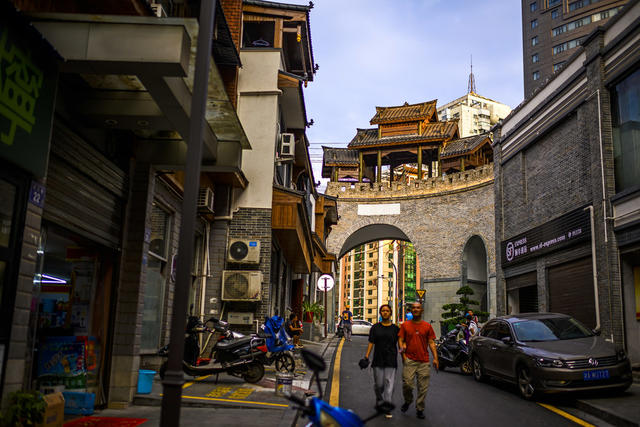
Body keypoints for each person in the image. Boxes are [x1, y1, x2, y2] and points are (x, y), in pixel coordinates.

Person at [398, 302, 439, 420]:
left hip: (424, 361)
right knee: (407, 384)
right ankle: (408, 400)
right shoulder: (405, 325)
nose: (416, 310)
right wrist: (403, 356)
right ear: (411, 310)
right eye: (414, 308)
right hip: (409, 360)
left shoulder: (427, 326)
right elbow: (400, 340)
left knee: (423, 388)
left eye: (418, 308)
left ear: (422, 311)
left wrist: (435, 358)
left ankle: (420, 409)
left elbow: (431, 342)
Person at [361, 304, 399, 419]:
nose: (385, 312)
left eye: (387, 311)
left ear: (390, 313)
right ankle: (379, 398)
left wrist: (404, 353)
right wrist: (366, 356)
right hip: (378, 359)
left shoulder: (395, 329)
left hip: (391, 359)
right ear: (380, 313)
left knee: (389, 384)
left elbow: (401, 343)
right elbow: (371, 342)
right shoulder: (375, 328)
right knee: (379, 385)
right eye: (383, 311)